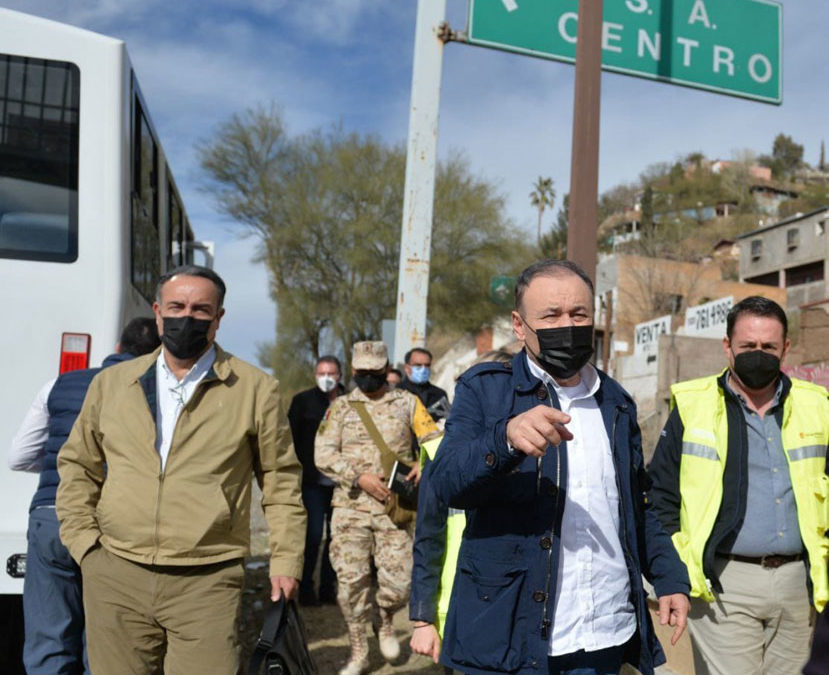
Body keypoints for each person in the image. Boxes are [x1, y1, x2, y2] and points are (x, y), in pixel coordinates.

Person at [428, 259, 690, 675]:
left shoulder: (616, 402)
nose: (567, 324)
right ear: (519, 325)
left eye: (578, 314)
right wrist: (505, 438)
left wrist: (670, 577)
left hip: (603, 633)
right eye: (550, 315)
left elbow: (638, 505)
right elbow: (445, 483)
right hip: (510, 634)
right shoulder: (485, 390)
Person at [56, 265, 306, 675]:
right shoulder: (111, 384)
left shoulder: (256, 389)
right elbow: (78, 463)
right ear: (157, 312)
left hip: (207, 579)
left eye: (200, 309)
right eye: (176, 306)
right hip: (116, 572)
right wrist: (85, 544)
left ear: (218, 318)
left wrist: (286, 560)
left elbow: (282, 481)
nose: (185, 318)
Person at [649, 295, 829, 675]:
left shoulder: (818, 405)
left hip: (802, 583)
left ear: (786, 349)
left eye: (768, 347)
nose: (758, 354)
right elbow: (660, 495)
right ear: (728, 346)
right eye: (748, 346)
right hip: (725, 583)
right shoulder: (693, 404)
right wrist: (674, 571)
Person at [8, 317, 159, 675]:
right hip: (110, 523)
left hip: (51, 515)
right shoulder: (153, 391)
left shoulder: (58, 385)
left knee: (48, 641)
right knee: (104, 644)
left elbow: (18, 457)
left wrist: (57, 470)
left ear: (117, 348)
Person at [315, 340, 440, 675]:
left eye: (375, 372)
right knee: (351, 583)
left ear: (387, 369)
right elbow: (323, 453)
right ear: (353, 371)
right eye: (362, 372)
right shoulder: (340, 407)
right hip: (350, 510)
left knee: (401, 583)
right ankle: (359, 649)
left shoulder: (408, 402)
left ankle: (383, 619)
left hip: (393, 509)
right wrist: (357, 477)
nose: (369, 377)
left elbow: (434, 440)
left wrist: (424, 465)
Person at [410, 349, 514, 669]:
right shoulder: (443, 456)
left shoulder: (539, 450)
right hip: (457, 612)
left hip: (516, 609)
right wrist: (423, 620)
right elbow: (428, 539)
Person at [288, 355, 344, 606]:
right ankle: (306, 588)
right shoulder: (302, 402)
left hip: (341, 484)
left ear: (340, 375)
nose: (327, 378)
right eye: (322, 373)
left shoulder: (350, 402)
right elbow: (289, 440)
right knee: (312, 537)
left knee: (337, 537)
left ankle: (328, 588)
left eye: (331, 373)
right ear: (315, 374)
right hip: (312, 482)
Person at [400, 348, 450, 422]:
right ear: (407, 368)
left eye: (427, 365)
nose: (423, 369)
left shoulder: (439, 395)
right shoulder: (398, 392)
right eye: (418, 365)